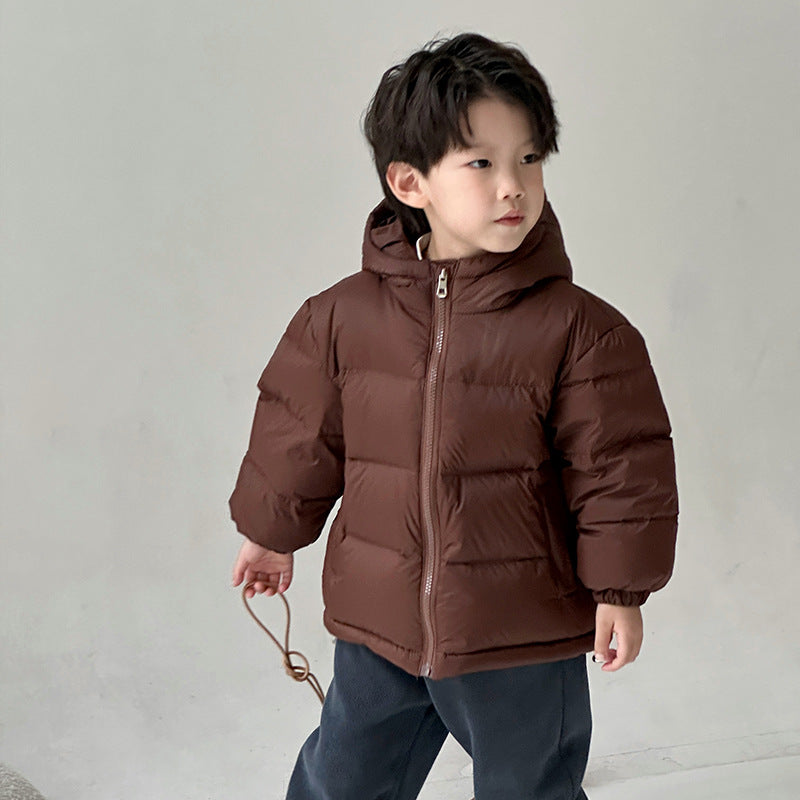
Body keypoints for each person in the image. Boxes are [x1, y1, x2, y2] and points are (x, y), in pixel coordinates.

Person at [228, 31, 678, 800]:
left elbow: (620, 468)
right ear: (411, 182)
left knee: (529, 786)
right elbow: (299, 435)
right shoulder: (340, 317)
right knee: (343, 779)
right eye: (481, 163)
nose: (514, 187)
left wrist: (620, 590)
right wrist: (271, 534)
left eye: (529, 159)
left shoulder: (581, 330)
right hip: (380, 622)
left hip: (520, 631)